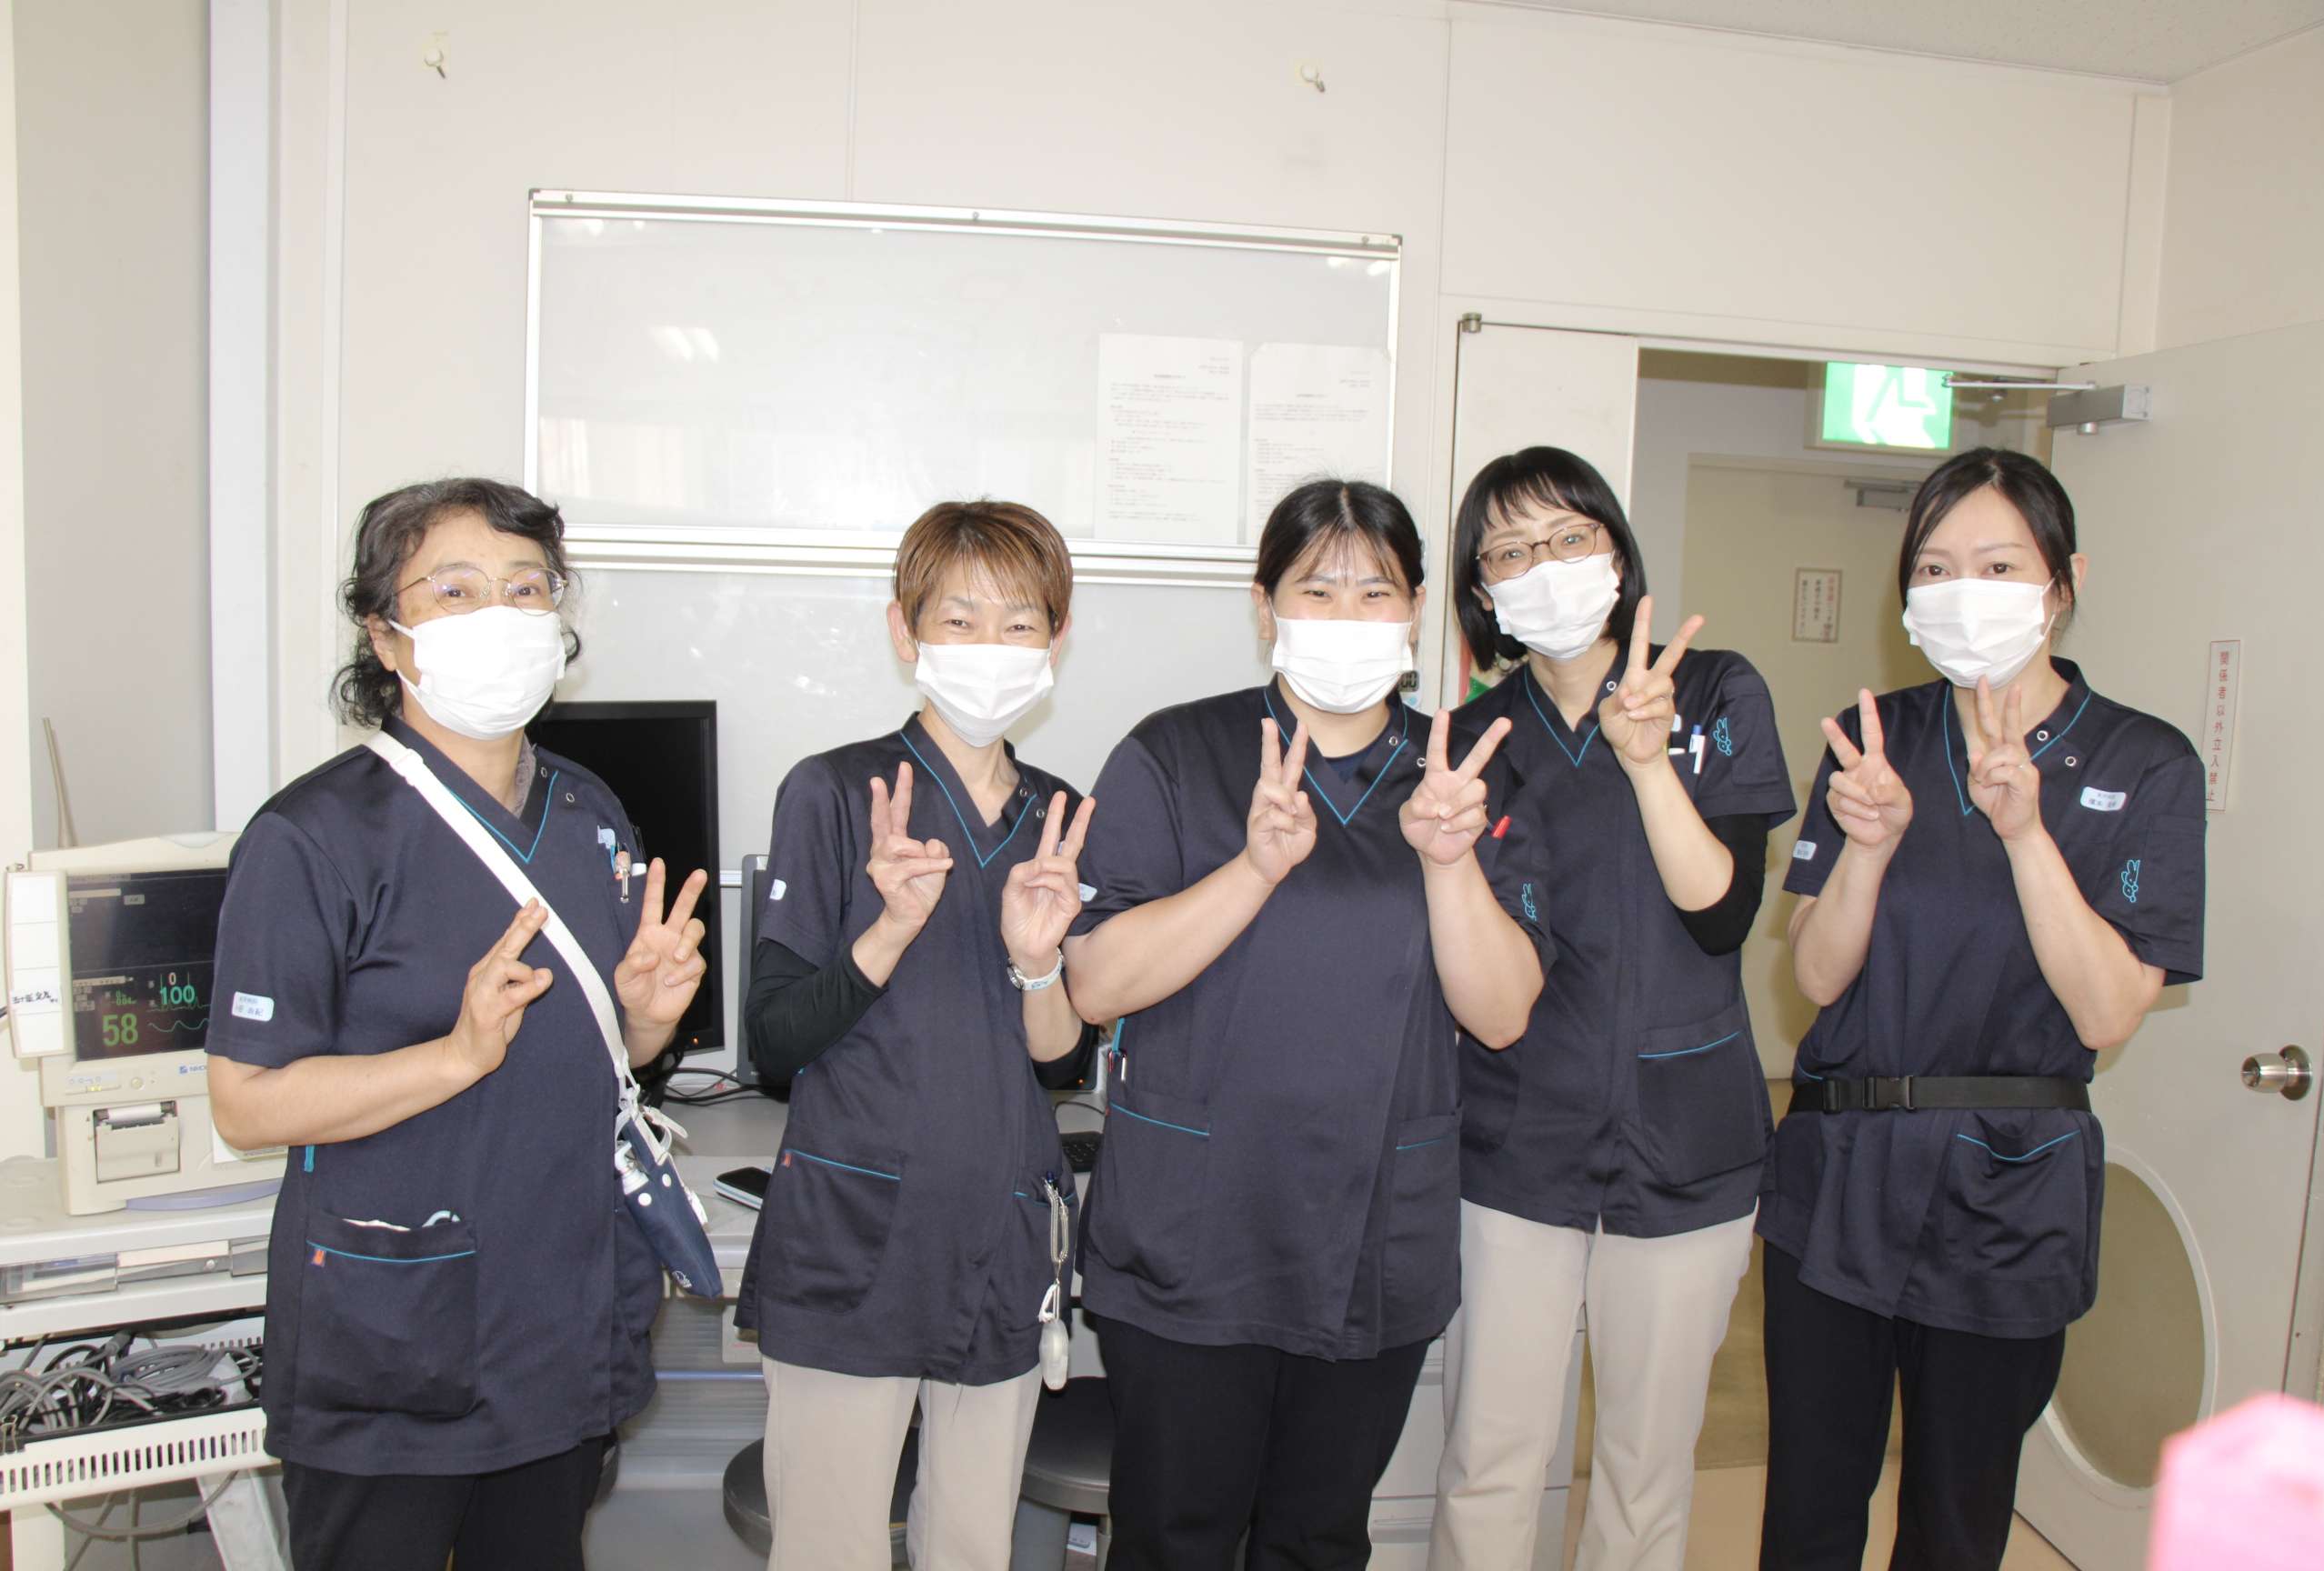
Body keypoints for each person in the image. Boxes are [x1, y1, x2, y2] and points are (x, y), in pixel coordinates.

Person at [205, 478, 709, 1571]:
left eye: (525, 588)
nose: (501, 614)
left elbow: (600, 1062)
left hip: (559, 1317)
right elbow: (246, 1103)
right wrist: (453, 1057)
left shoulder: (589, 813)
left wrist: (644, 1021)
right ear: (384, 635)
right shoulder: (312, 837)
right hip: (394, 1336)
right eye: (455, 590)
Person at [1063, 478, 1551, 1571]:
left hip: (1373, 1234)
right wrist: (1252, 868)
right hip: (1196, 1232)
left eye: (1374, 591)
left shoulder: (1466, 771)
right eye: (1315, 590)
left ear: (1416, 608)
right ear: (1264, 606)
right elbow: (1094, 985)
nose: (1346, 615)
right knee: (1175, 1540)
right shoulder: (1174, 755)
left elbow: (1503, 1013)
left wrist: (1449, 862)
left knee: (1317, 1543)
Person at [1759, 447, 2207, 1570]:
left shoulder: (2145, 762)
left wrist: (2026, 834)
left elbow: (2107, 1013)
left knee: (1955, 1520)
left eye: (1999, 565)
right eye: (1937, 566)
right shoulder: (1874, 740)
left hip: (2010, 1182)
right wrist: (1868, 849)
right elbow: (1816, 978)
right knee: (1810, 1503)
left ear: (2064, 581)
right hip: (1842, 1166)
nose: (1965, 590)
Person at [1429, 446, 1796, 1571]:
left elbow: (1722, 916)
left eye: (1568, 536)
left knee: (1644, 1473)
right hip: (1516, 1143)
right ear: (1482, 591)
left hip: (1685, 1144)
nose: (1543, 565)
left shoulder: (1714, 692)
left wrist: (1648, 764)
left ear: (1617, 553)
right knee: (1491, 1459)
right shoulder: (1475, 741)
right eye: (1509, 550)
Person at [737, 500, 1095, 1571]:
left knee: (973, 1546)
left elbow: (1063, 1059)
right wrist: (889, 928)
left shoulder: (1060, 815)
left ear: (1056, 639)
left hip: (1000, 1230)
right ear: (906, 632)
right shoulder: (835, 793)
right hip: (857, 1237)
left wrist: (1039, 961)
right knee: (830, 1547)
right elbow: (775, 1042)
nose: (993, 646)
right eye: (961, 619)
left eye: (1020, 622)